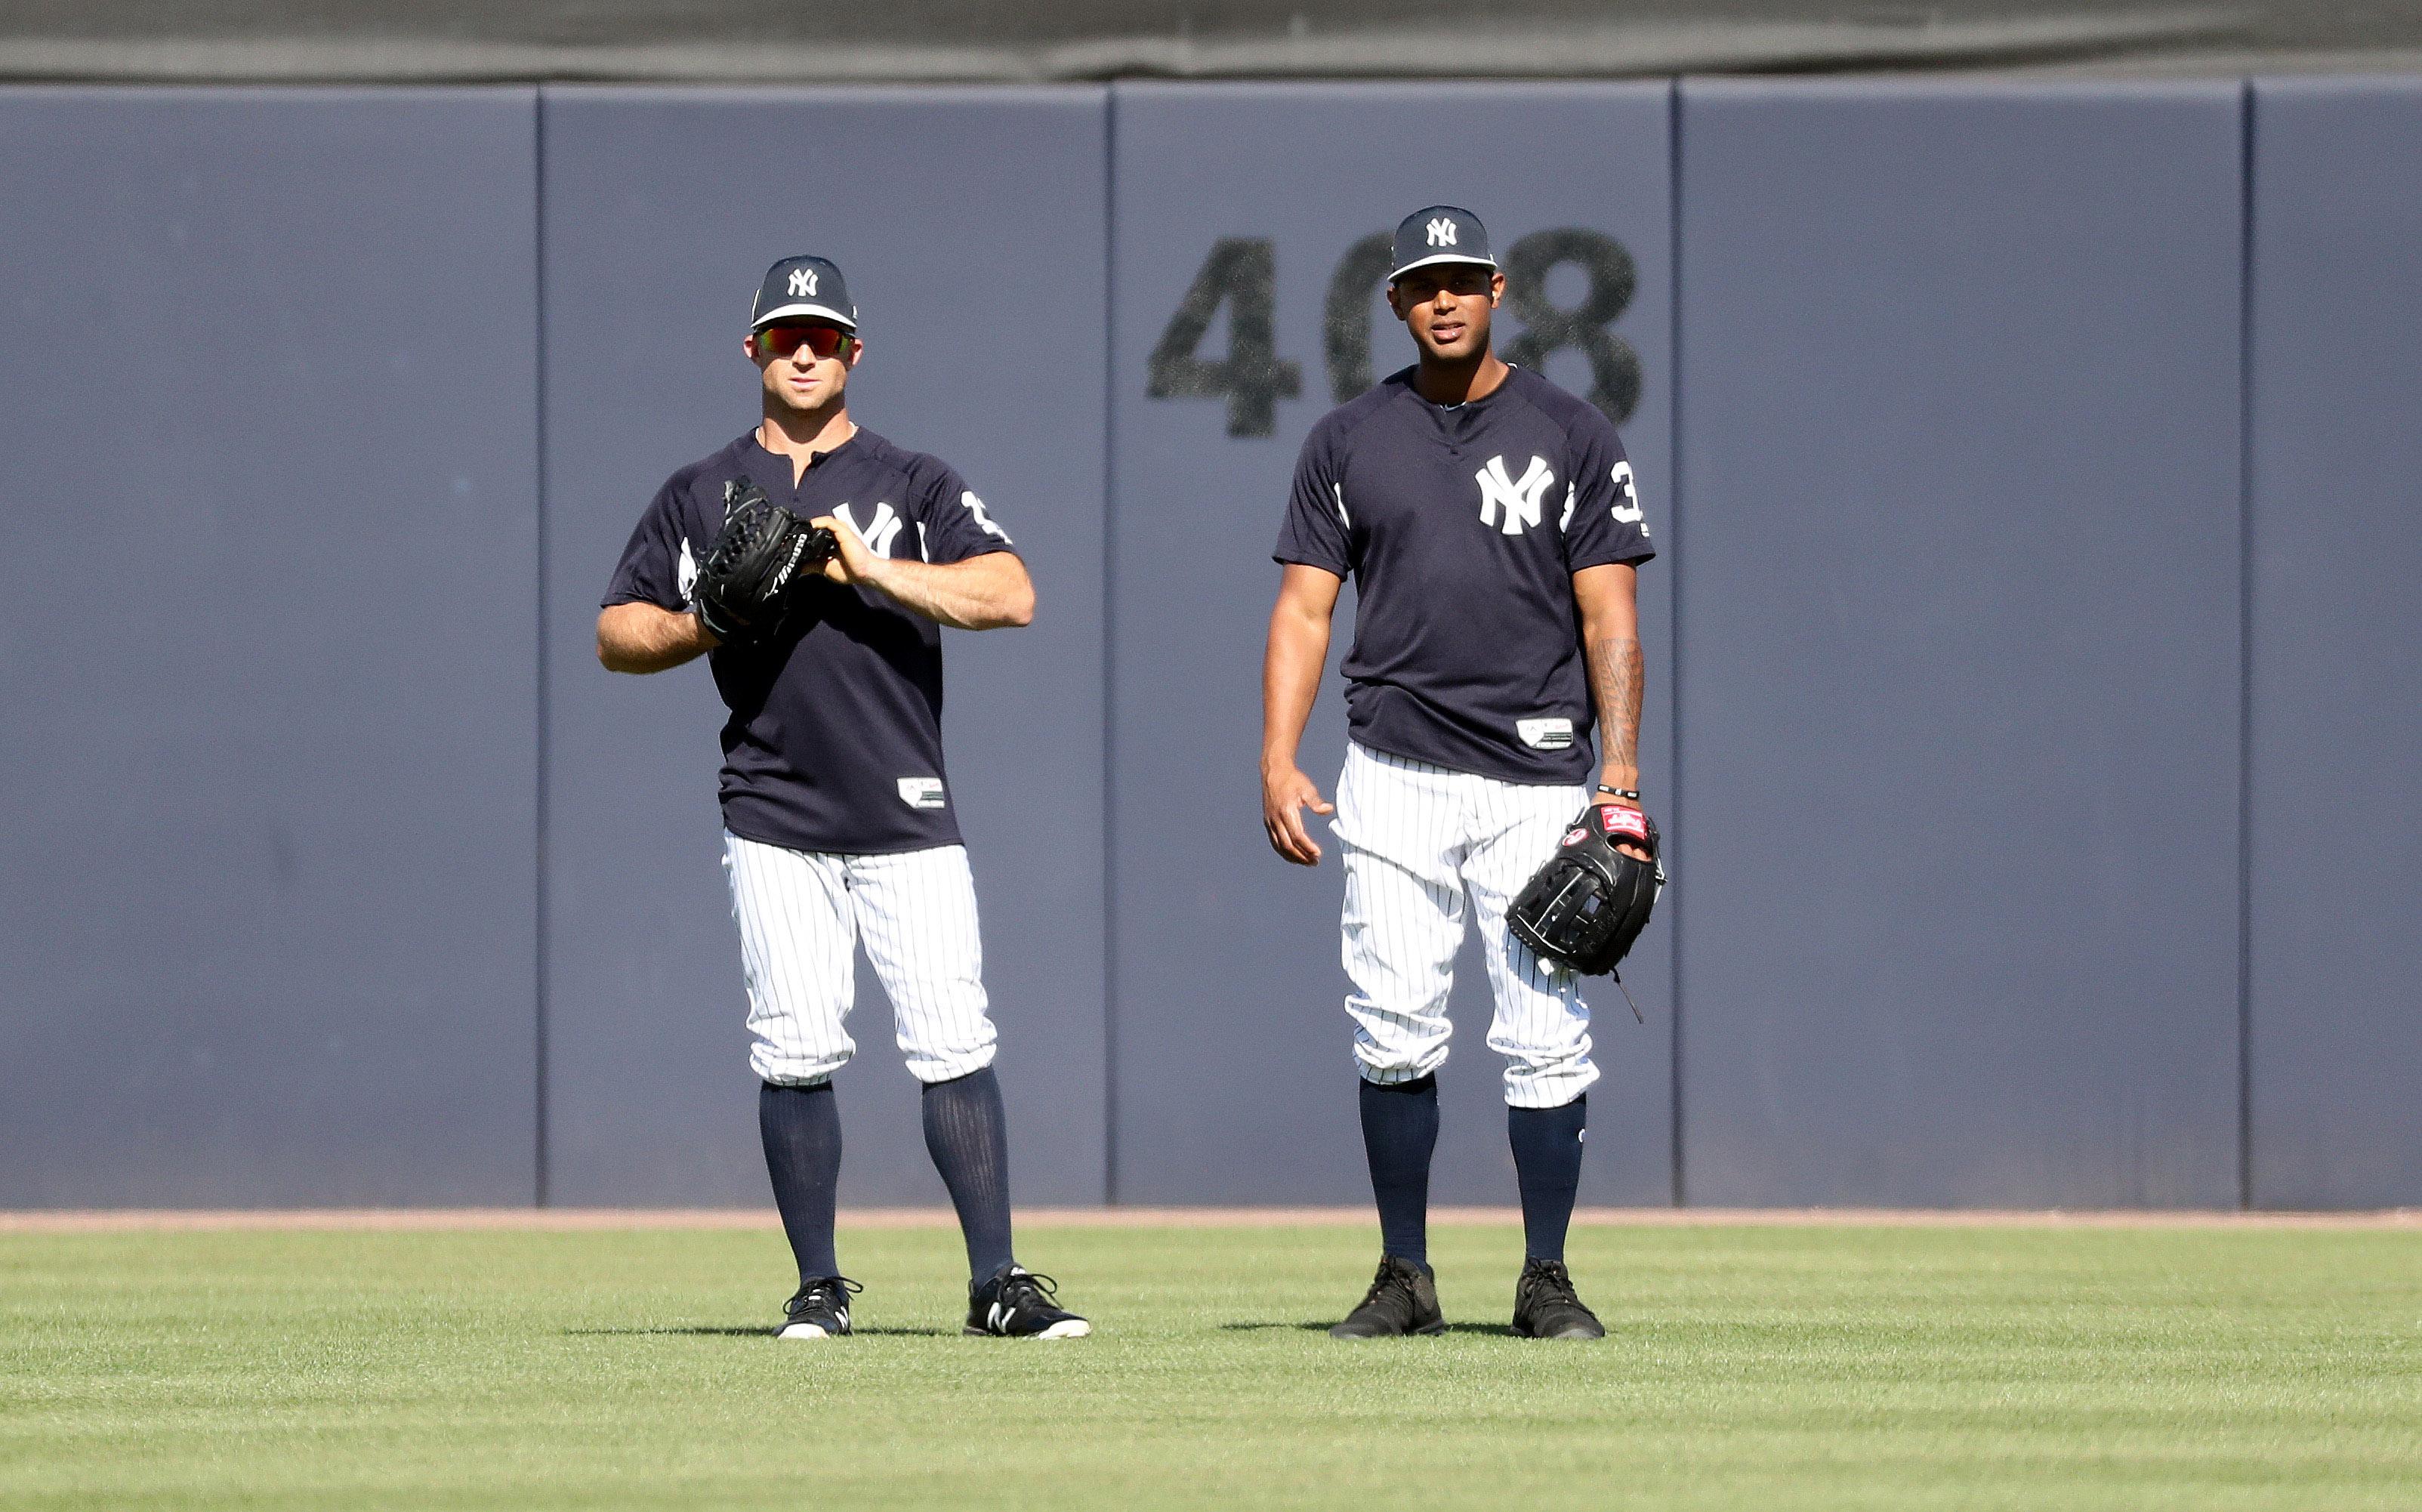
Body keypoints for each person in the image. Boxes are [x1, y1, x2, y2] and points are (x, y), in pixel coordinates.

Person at [597, 255, 1088, 1341]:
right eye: (786, 336)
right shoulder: (700, 491)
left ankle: (997, 1282)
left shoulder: (911, 482)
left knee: (953, 1035)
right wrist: (703, 627)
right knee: (794, 1043)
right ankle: (818, 1284)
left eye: (824, 336)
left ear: (855, 351)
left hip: (905, 804)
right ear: (754, 352)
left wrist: (872, 568)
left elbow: (1012, 592)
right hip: (771, 802)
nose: (805, 351)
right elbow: (616, 630)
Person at [1260, 207, 1656, 1341]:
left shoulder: (1573, 432)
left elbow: (1611, 619)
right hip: (1391, 767)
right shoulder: (1347, 439)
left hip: (1537, 776)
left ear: (1497, 289)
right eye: (1420, 283)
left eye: (1461, 280)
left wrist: (1617, 775)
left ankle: (1547, 1277)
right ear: (1394, 302)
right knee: (1391, 1024)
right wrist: (1279, 757)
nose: (1442, 299)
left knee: (1544, 1034)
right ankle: (1405, 1276)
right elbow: (1303, 609)